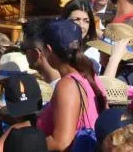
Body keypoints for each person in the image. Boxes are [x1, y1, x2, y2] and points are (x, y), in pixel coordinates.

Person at [36, 20, 106, 150]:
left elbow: (61, 142)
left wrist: (24, 145)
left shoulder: (67, 86)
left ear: (49, 50)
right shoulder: (90, 75)